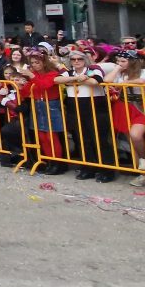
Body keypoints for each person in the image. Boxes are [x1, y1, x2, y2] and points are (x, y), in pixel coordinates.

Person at [56, 49, 115, 182]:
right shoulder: (69, 72)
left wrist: (74, 80)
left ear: (85, 60)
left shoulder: (93, 68)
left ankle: (107, 169)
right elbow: (58, 79)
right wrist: (76, 78)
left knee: (99, 138)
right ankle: (88, 167)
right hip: (75, 106)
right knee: (82, 138)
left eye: (79, 59)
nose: (76, 61)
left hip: (95, 105)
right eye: (73, 59)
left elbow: (96, 81)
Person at [104, 50, 145, 186]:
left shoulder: (142, 71)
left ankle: (143, 162)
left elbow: (141, 80)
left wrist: (125, 82)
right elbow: (107, 81)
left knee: (136, 135)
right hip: (124, 107)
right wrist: (117, 68)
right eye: (118, 61)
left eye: (123, 61)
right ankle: (141, 172)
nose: (119, 63)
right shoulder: (119, 73)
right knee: (131, 140)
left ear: (132, 62)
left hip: (140, 107)